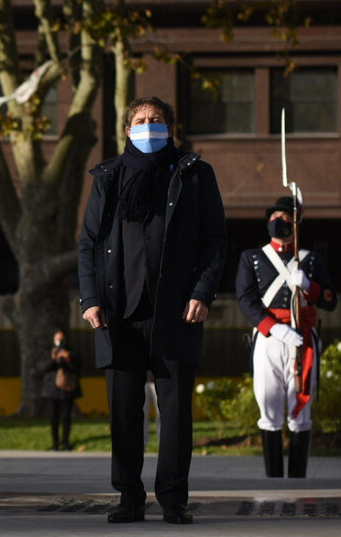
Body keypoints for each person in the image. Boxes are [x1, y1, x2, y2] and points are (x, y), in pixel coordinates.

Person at [78, 96, 226, 525]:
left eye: (156, 120)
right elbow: (88, 243)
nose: (148, 126)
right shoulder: (108, 176)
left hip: (177, 311)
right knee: (124, 411)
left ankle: (173, 498)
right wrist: (89, 299)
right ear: (127, 130)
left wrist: (203, 292)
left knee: (176, 412)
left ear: (170, 128)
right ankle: (128, 497)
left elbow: (215, 239)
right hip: (118, 313)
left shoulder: (195, 173)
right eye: (140, 120)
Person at [235, 196, 336, 478]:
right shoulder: (252, 258)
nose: (279, 222)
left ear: (297, 223)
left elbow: (329, 300)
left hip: (303, 338)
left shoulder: (310, 260)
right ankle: (274, 481)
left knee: (301, 410)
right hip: (269, 337)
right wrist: (272, 327)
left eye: (286, 218)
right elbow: (245, 299)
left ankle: (297, 481)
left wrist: (308, 286)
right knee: (269, 406)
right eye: (275, 217)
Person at [36, 329, 81, 451]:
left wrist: (68, 358)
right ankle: (55, 444)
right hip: (52, 390)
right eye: (58, 339)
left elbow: (77, 367)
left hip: (68, 389)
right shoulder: (48, 352)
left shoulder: (71, 352)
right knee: (53, 417)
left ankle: (65, 443)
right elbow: (41, 368)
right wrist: (54, 359)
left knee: (66, 417)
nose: (60, 342)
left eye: (62, 339)